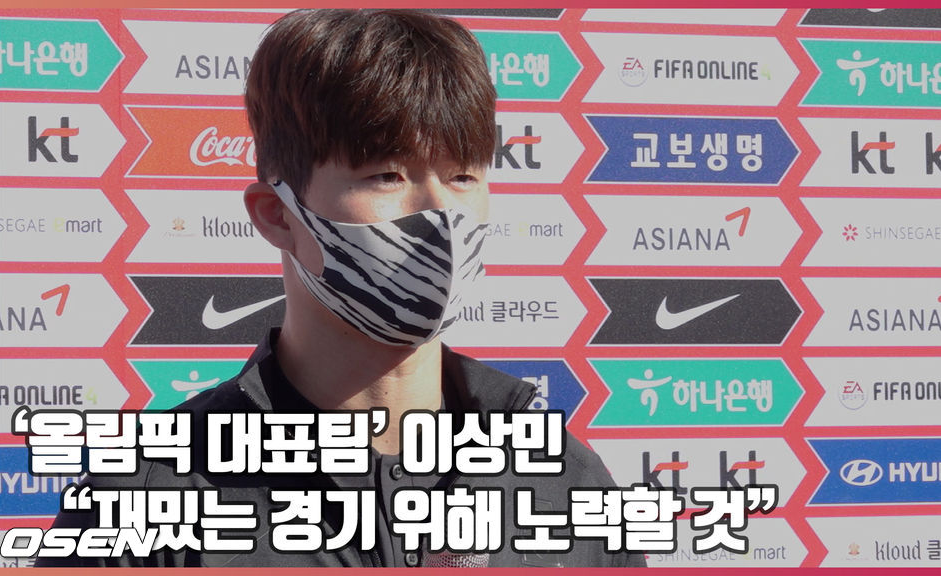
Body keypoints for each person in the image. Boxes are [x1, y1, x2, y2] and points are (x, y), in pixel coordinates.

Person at [35, 9, 646, 567]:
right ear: (277, 215)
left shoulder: (567, 482)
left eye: (463, 175)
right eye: (387, 175)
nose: (441, 214)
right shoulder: (143, 501)